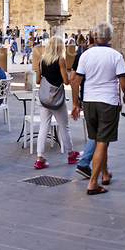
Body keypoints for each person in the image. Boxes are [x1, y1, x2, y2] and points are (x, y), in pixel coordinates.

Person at [71, 22, 125, 195]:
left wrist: (76, 103)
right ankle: (93, 183)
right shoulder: (116, 56)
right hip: (108, 103)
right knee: (103, 142)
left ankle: (105, 174)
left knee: (98, 141)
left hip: (89, 102)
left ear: (94, 37)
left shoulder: (85, 55)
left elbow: (76, 81)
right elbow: (124, 82)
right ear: (111, 38)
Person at [34, 36, 79, 169]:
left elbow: (37, 80)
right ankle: (71, 154)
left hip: (43, 99)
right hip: (57, 99)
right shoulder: (61, 60)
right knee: (64, 126)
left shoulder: (41, 61)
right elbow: (65, 81)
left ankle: (40, 158)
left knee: (44, 126)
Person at [70, 31, 95, 179]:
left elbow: (73, 80)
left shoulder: (81, 56)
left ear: (87, 41)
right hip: (105, 100)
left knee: (97, 134)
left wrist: (76, 102)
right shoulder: (112, 54)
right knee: (99, 135)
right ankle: (85, 163)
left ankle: (104, 172)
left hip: (87, 98)